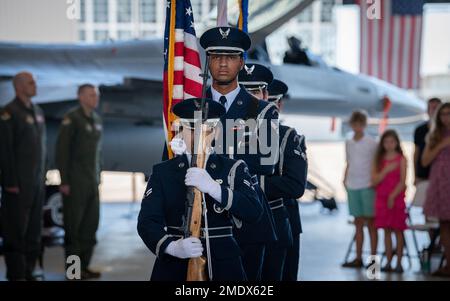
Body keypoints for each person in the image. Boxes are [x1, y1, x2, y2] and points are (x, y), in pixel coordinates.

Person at [137, 98, 262, 280]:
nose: (199, 136)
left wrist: (215, 189)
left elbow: (254, 212)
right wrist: (171, 247)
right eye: (192, 129)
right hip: (175, 263)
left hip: (223, 265)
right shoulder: (163, 172)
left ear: (216, 132)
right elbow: (147, 222)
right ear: (181, 131)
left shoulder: (233, 168)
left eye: (207, 130)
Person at [200, 26, 279, 281]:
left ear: (241, 62)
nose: (223, 63)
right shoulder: (192, 108)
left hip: (246, 221)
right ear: (208, 61)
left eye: (231, 57)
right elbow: (172, 159)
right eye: (216, 57)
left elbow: (267, 162)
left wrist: (213, 148)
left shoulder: (263, 111)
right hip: (202, 220)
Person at [0, 72, 46, 281]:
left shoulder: (37, 111)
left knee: (34, 232)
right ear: (18, 87)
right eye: (30, 83)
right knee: (15, 233)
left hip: (36, 183)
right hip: (17, 185)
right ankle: (16, 275)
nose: (35, 86)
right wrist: (9, 182)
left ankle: (28, 271)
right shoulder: (9, 113)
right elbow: (5, 151)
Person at [55, 84, 103, 280]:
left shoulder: (96, 119)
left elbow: (97, 154)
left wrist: (98, 176)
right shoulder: (71, 119)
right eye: (91, 95)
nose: (95, 98)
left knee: (90, 227)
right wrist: (64, 180)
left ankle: (84, 266)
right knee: (74, 230)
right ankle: (73, 271)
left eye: (97, 95)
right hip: (75, 183)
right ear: (81, 97)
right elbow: (62, 151)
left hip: (92, 182)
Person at [263, 79, 308, 281]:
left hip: (284, 218)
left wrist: (255, 184)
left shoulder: (288, 137)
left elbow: (296, 185)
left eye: (271, 103)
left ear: (279, 105)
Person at [342, 111, 378, 268]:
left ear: (364, 125)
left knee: (371, 224)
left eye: (360, 124)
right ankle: (358, 258)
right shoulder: (348, 142)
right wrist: (344, 178)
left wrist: (374, 180)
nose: (357, 127)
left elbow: (377, 162)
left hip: (368, 185)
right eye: (354, 123)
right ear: (351, 124)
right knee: (358, 223)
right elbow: (348, 162)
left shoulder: (371, 142)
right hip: (352, 184)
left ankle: (373, 262)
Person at [372, 129, 407, 273]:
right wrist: (385, 170)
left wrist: (393, 196)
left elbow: (403, 181)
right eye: (386, 141)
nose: (389, 144)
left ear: (397, 143)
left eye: (392, 141)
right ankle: (388, 261)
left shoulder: (401, 159)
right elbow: (375, 181)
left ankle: (399, 262)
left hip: (396, 198)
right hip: (381, 198)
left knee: (398, 231)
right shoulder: (380, 160)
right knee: (386, 231)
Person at [421, 102, 450, 277]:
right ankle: (448, 264)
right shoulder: (435, 135)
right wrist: (442, 144)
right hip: (440, 182)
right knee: (444, 225)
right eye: (443, 114)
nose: (446, 117)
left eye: (449, 113)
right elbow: (424, 161)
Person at [413, 98, 442, 207]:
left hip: (443, 176)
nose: (434, 111)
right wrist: (414, 175)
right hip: (424, 174)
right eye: (432, 108)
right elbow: (416, 154)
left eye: (437, 108)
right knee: (427, 208)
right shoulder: (420, 130)